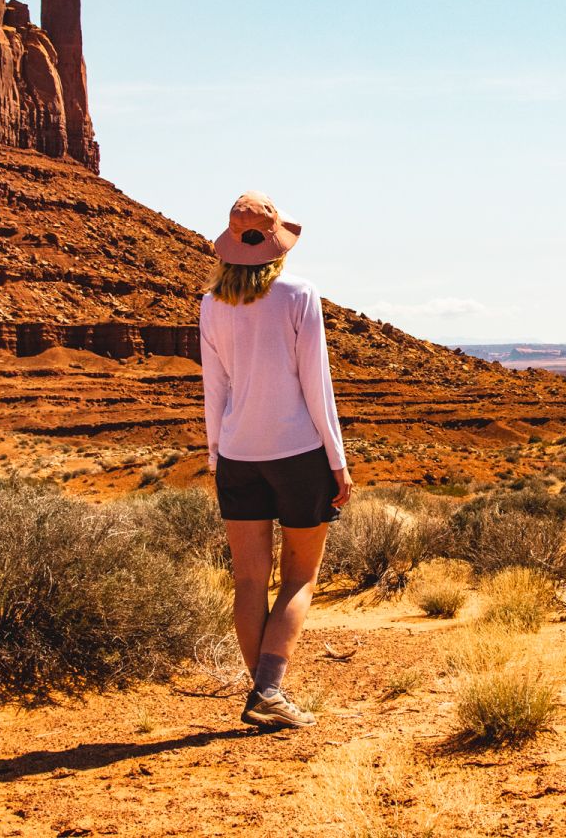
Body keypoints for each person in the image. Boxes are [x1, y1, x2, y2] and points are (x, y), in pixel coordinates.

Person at [198, 190, 353, 730]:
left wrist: (217, 456)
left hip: (238, 457)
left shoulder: (211, 303)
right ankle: (267, 691)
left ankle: (264, 693)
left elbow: (212, 388)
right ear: (277, 245)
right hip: (298, 455)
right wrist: (336, 459)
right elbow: (317, 384)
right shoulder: (298, 295)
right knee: (300, 578)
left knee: (247, 582)